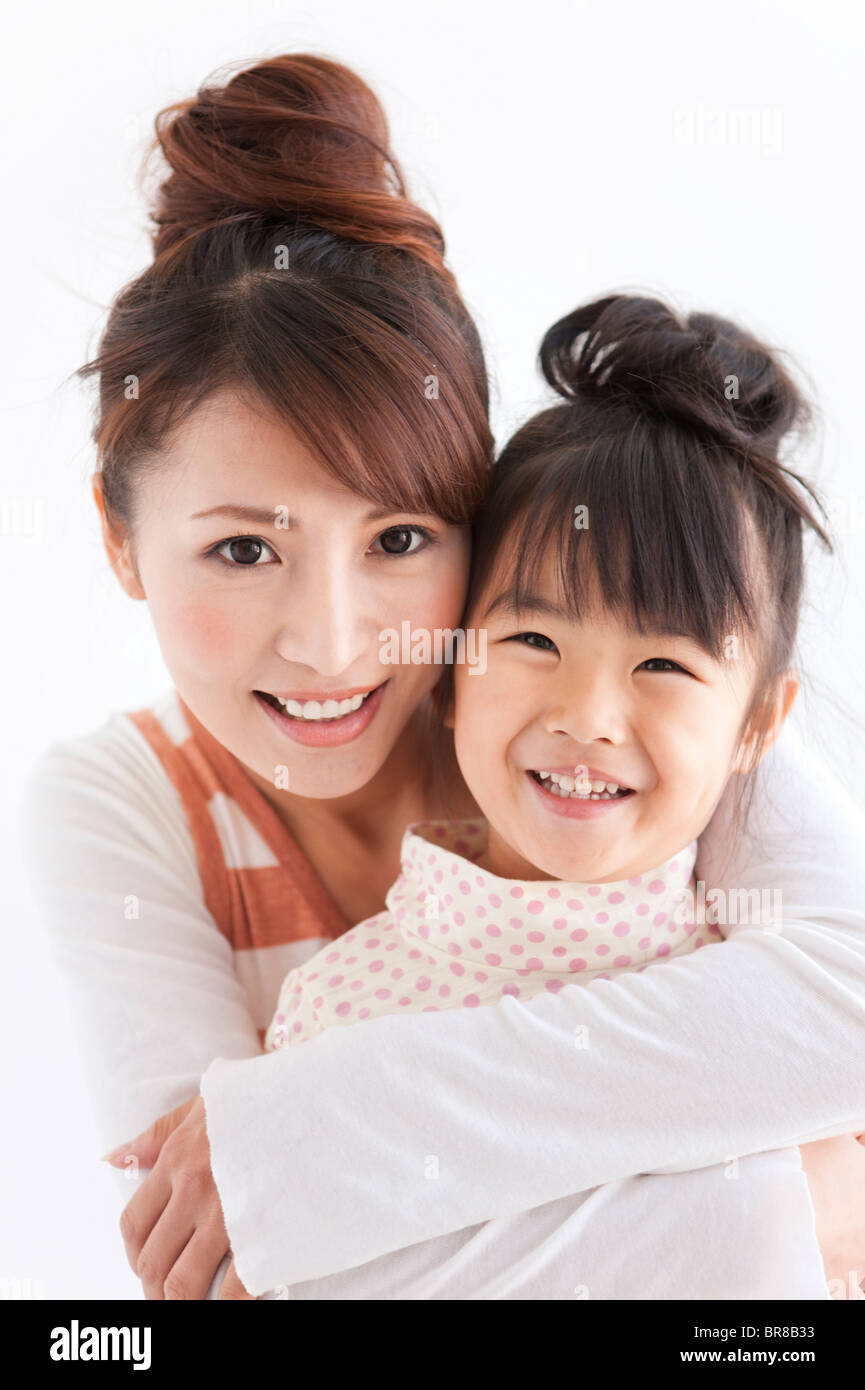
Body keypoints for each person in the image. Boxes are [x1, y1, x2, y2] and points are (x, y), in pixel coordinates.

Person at [19, 54, 865, 1302]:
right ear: (117, 537)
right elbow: (228, 1275)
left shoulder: (631, 705)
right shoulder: (120, 812)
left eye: (402, 538)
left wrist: (314, 1126)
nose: (334, 641)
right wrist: (775, 1213)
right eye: (243, 548)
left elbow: (843, 1014)